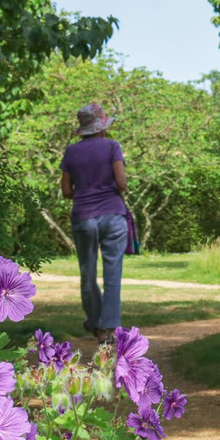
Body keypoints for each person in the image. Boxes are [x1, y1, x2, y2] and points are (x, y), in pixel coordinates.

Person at [60, 102, 128, 341]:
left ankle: (96, 325)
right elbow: (121, 183)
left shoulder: (71, 152)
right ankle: (110, 328)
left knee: (87, 273)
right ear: (102, 126)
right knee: (113, 275)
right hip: (113, 215)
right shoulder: (112, 147)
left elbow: (66, 190)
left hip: (83, 217)